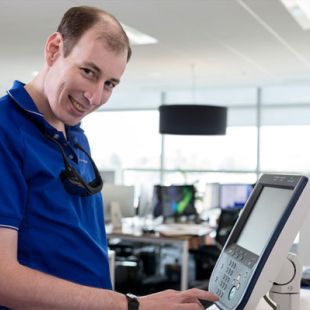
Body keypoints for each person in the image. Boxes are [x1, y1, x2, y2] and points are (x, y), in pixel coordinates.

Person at [0, 6, 219, 309]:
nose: (94, 96)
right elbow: (3, 279)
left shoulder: (73, 133)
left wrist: (136, 302)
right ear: (53, 50)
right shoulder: (5, 130)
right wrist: (131, 306)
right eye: (88, 71)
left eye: (110, 84)